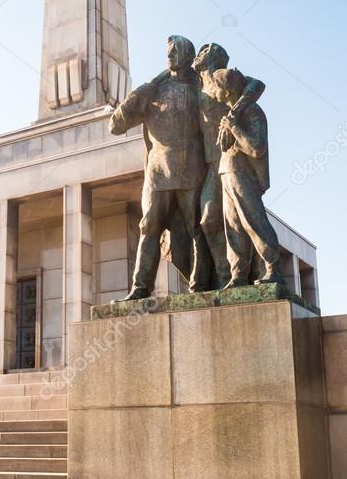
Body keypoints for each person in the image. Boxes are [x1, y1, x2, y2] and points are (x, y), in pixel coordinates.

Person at [109, 35, 211, 297]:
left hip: (192, 168)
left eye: (175, 51)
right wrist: (137, 95)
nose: (170, 55)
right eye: (168, 51)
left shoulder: (200, 88)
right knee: (148, 227)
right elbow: (116, 126)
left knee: (197, 227)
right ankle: (141, 288)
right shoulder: (153, 91)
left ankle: (201, 285)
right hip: (158, 170)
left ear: (188, 56)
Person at [192, 43, 265, 288]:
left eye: (203, 52)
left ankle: (248, 272)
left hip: (229, 159)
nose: (197, 56)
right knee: (214, 220)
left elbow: (257, 84)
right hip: (212, 162)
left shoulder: (220, 77)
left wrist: (233, 115)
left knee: (243, 217)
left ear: (213, 57)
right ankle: (230, 274)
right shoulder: (195, 84)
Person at [212, 67, 283, 288]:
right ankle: (238, 275)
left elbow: (256, 148)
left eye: (217, 87)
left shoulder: (251, 112)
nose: (213, 91)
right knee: (232, 226)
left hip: (243, 173)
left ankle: (273, 267)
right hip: (227, 171)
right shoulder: (231, 112)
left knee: (253, 220)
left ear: (227, 90)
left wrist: (233, 126)